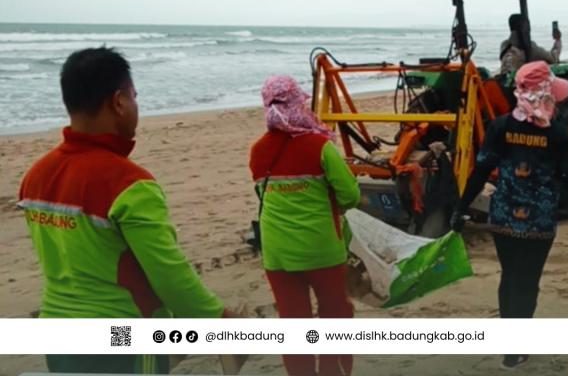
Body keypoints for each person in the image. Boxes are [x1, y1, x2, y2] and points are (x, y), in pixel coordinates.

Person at [18, 47, 230, 374]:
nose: (135, 106)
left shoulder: (36, 175)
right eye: (134, 97)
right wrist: (221, 321)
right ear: (118, 102)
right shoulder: (128, 184)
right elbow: (170, 276)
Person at [451, 61, 568, 370]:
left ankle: (510, 348)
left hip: (503, 215)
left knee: (509, 277)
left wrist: (461, 207)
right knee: (528, 281)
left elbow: (480, 170)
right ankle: (518, 348)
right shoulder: (558, 134)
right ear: (545, 94)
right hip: (539, 221)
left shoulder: (500, 127)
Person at [250, 75, 362, 376]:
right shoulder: (320, 146)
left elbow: (263, 193)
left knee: (292, 324)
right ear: (298, 103)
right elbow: (351, 195)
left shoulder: (257, 150)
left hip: (277, 253)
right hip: (321, 249)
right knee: (335, 315)